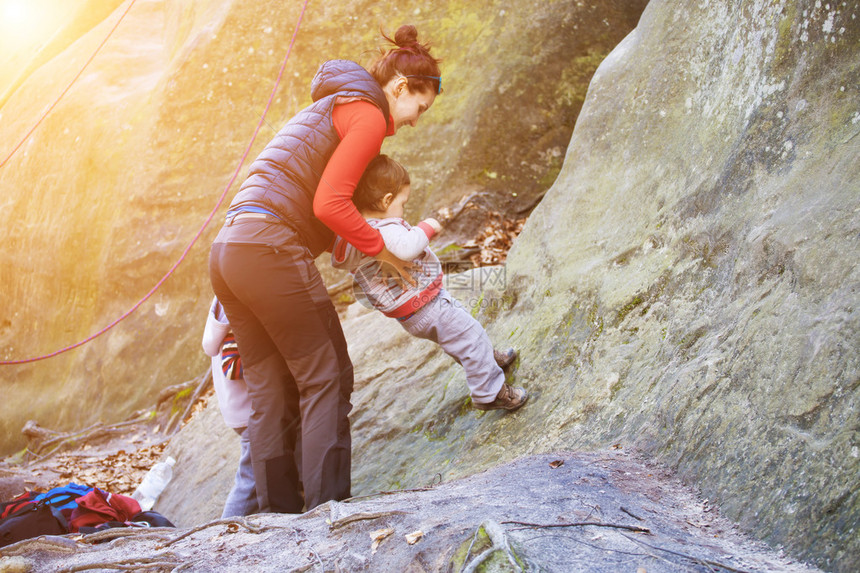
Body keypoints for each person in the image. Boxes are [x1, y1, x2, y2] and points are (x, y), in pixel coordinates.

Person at [209, 25, 442, 513]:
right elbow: (331, 204)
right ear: (400, 88)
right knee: (326, 375)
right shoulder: (367, 114)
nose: (415, 121)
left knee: (271, 388)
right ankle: (327, 517)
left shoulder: (332, 106)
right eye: (419, 108)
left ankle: (277, 522)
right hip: (270, 247)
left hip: (230, 249)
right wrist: (385, 250)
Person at [331, 154, 527, 411]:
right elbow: (409, 246)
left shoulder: (355, 234)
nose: (404, 211)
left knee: (463, 336)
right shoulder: (384, 229)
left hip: (414, 312)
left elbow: (339, 258)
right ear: (386, 200)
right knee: (469, 335)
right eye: (403, 204)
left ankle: (486, 360)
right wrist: (429, 225)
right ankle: (491, 394)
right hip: (426, 305)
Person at [201, 297, 259, 518]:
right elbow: (232, 365)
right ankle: (227, 530)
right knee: (250, 479)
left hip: (239, 407)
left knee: (257, 473)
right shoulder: (233, 301)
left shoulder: (221, 298)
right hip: (248, 410)